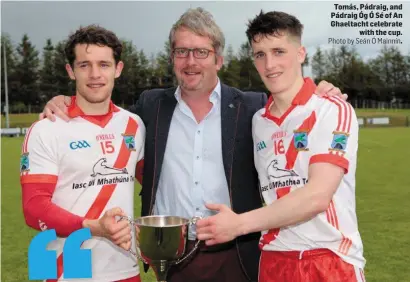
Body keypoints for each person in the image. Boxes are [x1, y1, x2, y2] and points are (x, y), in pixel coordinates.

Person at [40, 8, 347, 282]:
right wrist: (64, 100)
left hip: (238, 255)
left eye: (201, 52)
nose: (190, 61)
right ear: (172, 57)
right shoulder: (150, 106)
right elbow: (102, 118)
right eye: (181, 51)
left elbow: (291, 102)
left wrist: (323, 89)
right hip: (171, 255)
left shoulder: (253, 107)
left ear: (218, 59)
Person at [196, 10, 366, 282]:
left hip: (329, 259)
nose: (269, 64)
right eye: (260, 54)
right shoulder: (258, 121)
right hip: (274, 261)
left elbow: (317, 196)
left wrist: (239, 224)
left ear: (301, 53)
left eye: (278, 51)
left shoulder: (331, 109)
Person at [21, 25, 145, 282]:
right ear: (70, 70)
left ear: (118, 69)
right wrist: (94, 227)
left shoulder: (134, 125)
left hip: (124, 267)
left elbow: (156, 186)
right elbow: (33, 209)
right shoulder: (46, 129)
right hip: (65, 271)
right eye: (84, 65)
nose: (95, 74)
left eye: (104, 64)